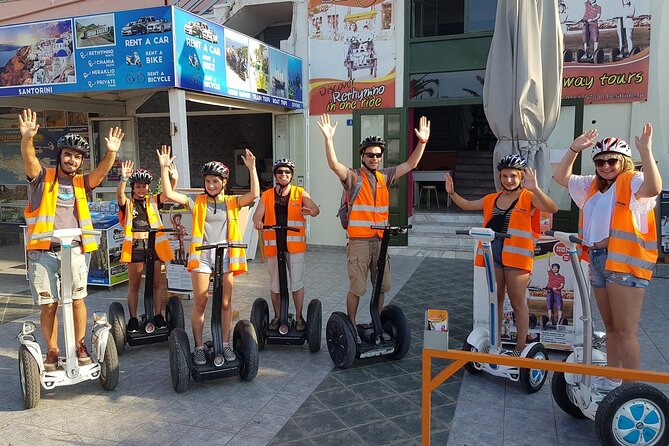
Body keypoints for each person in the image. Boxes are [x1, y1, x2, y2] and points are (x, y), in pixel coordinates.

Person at [553, 124, 660, 391]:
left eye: (612, 160)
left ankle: (631, 390)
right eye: (600, 161)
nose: (605, 166)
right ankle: (613, 379)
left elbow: (654, 187)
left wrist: (645, 152)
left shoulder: (631, 180)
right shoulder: (592, 186)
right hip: (599, 261)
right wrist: (574, 148)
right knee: (610, 328)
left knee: (625, 330)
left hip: (623, 263)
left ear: (623, 162)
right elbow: (560, 177)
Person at [20, 109, 124, 371]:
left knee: (78, 299)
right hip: (44, 252)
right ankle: (53, 350)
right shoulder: (43, 178)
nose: (73, 160)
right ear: (60, 156)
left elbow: (100, 173)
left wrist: (111, 152)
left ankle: (79, 345)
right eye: (68, 155)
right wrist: (27, 138)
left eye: (78, 157)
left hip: (74, 250)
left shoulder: (81, 183)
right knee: (49, 304)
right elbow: (29, 158)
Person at [317, 114, 430, 327]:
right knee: (357, 288)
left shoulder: (385, 176)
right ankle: (350, 327)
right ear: (362, 155)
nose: (374, 158)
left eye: (378, 155)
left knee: (381, 287)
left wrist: (422, 142)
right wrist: (328, 139)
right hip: (359, 242)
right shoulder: (353, 177)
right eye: (370, 155)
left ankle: (376, 323)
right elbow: (333, 164)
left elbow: (411, 163)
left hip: (381, 240)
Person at [445, 155, 558, 354]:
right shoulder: (492, 198)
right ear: (500, 176)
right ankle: (495, 343)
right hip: (493, 253)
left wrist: (536, 189)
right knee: (495, 299)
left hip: (517, 257)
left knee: (517, 301)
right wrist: (452, 192)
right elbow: (467, 205)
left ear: (521, 176)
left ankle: (520, 348)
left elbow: (552, 208)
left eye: (513, 176)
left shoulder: (528, 197)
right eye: (505, 176)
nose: (508, 180)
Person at [157, 145, 259, 366]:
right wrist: (164, 169)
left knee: (224, 302)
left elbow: (254, 194)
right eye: (208, 181)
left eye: (215, 181)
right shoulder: (197, 202)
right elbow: (168, 194)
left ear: (224, 182)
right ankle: (199, 347)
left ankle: (225, 344)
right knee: (201, 302)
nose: (211, 185)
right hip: (202, 256)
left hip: (225, 256)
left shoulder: (232, 201)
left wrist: (252, 169)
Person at [252, 158, 320, 331]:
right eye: (280, 172)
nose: (284, 175)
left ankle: (298, 317)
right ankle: (276, 316)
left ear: (291, 175)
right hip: (274, 246)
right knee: (275, 285)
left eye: (287, 172)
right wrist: (258, 222)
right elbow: (257, 216)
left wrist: (310, 211)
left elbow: (315, 209)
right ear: (275, 175)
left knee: (296, 283)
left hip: (294, 248)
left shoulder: (300, 193)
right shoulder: (267, 195)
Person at [116, 160, 175, 333]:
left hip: (154, 247)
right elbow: (120, 195)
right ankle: (133, 319)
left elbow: (168, 193)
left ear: (149, 187)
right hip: (135, 247)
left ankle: (158, 316)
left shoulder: (154, 201)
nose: (141, 190)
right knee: (134, 285)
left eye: (144, 187)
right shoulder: (127, 203)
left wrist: (173, 178)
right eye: (138, 187)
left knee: (157, 283)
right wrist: (123, 179)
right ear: (133, 187)